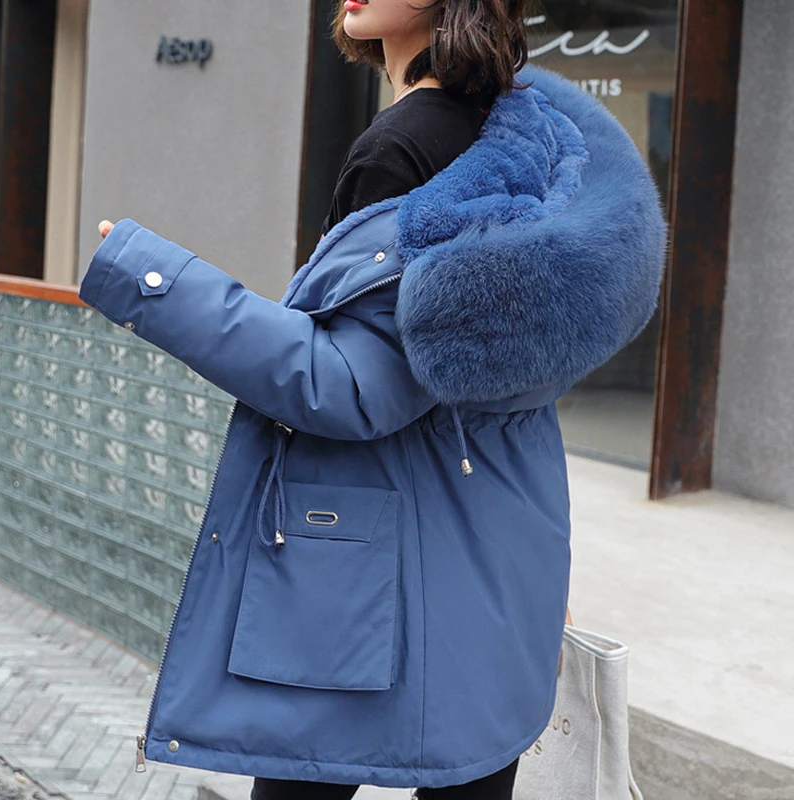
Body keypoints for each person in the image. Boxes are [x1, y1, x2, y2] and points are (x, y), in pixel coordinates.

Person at [82, 0, 666, 797]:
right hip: (502, 551)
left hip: (357, 569)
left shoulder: (399, 147)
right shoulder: (532, 136)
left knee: (306, 774)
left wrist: (155, 281)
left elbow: (352, 386)